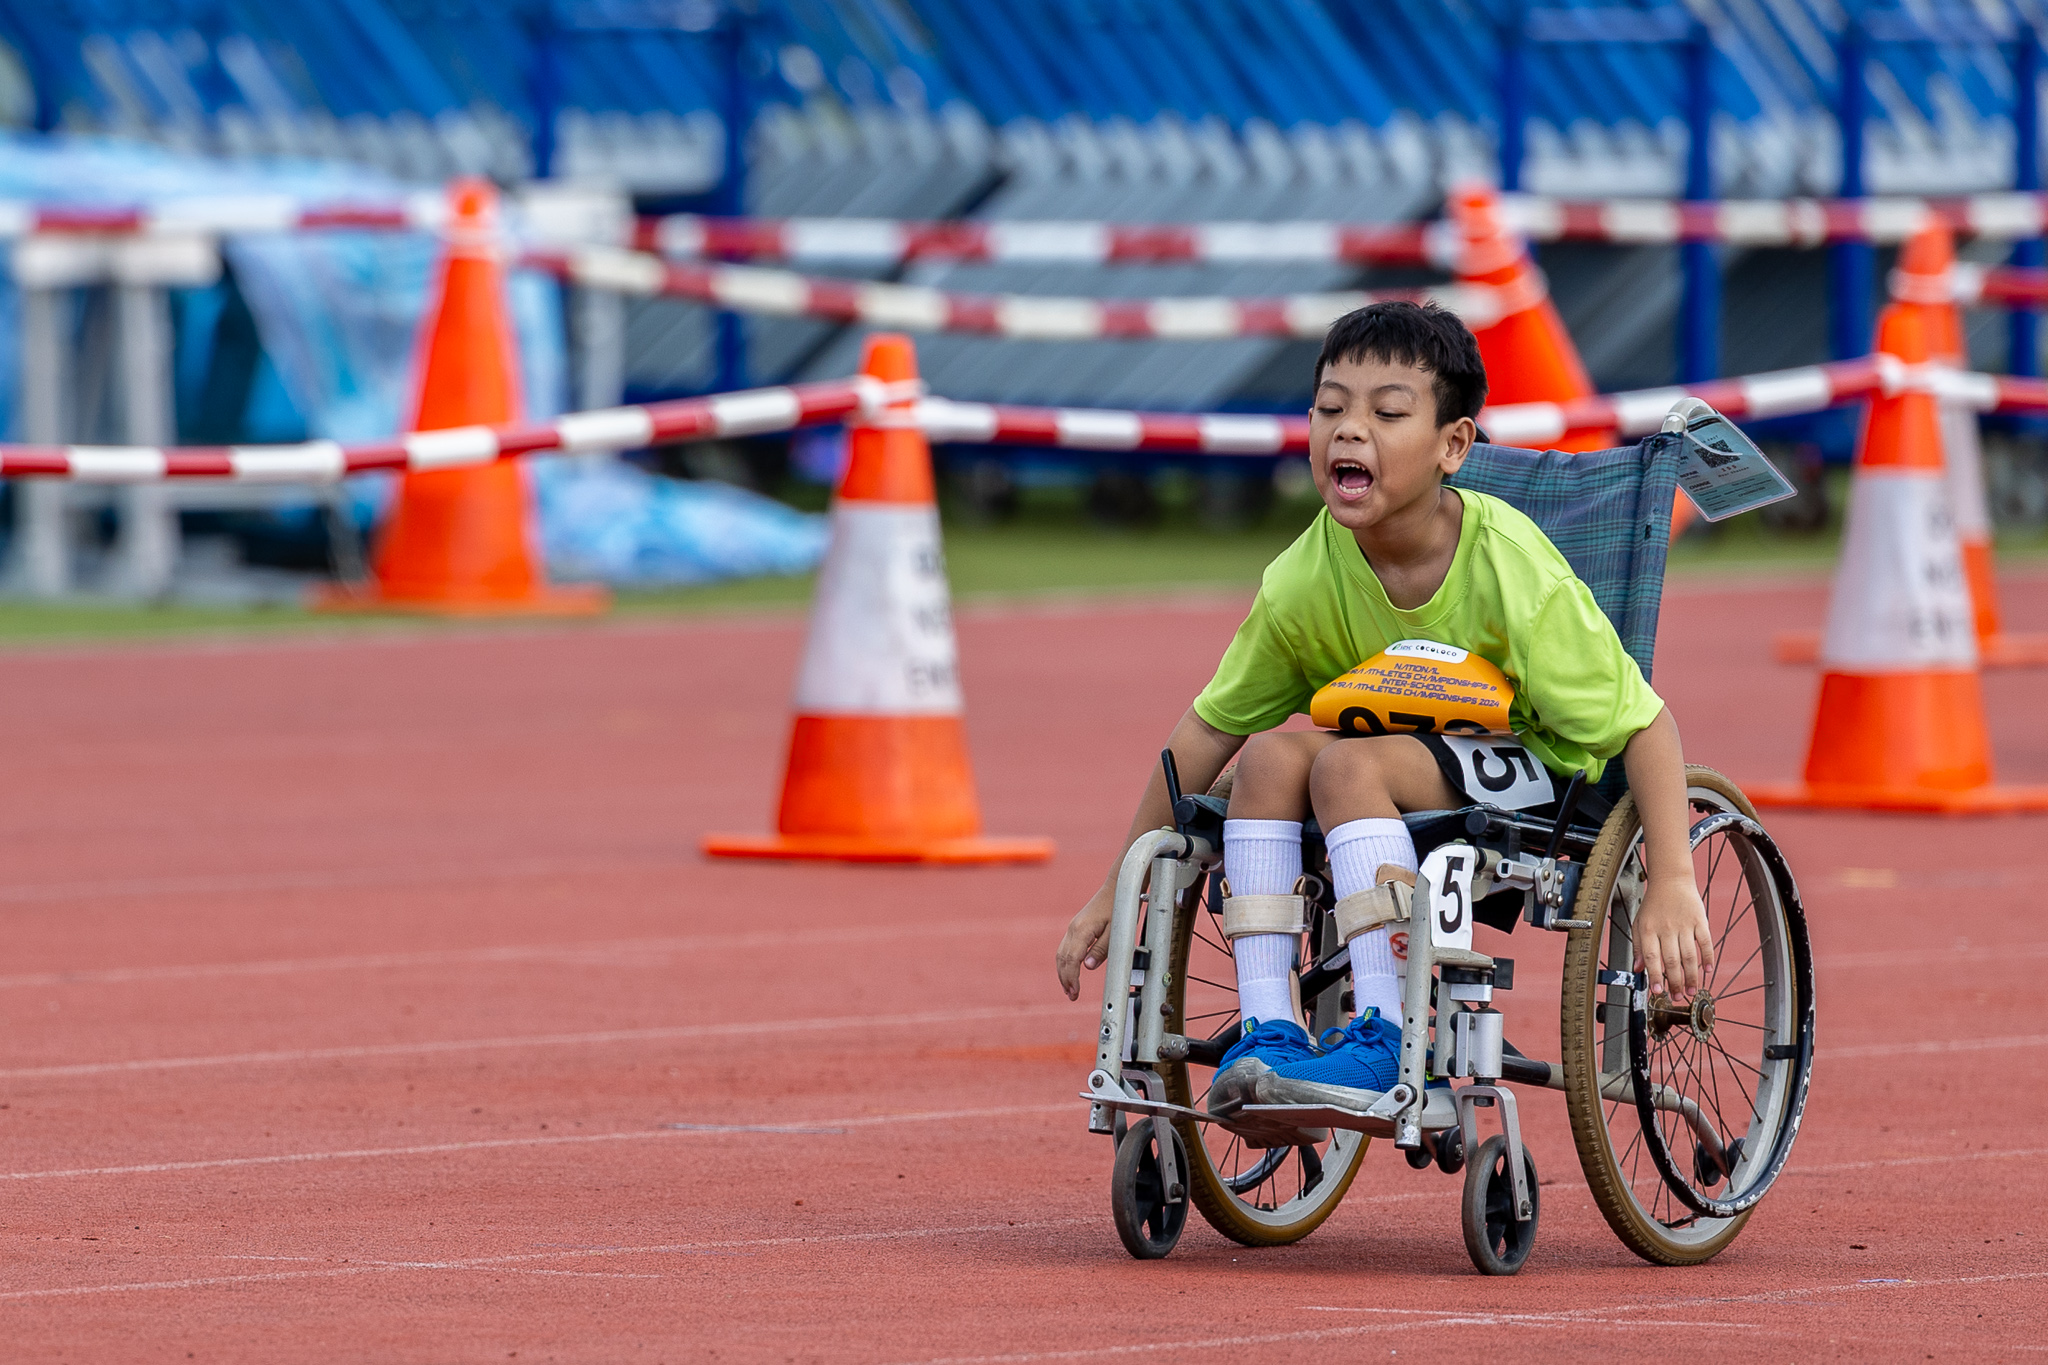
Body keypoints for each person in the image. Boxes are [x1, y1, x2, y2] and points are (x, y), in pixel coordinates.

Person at [1052, 300, 1712, 1113]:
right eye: (1330, 407)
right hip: (1385, 769)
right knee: (1264, 756)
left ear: (1453, 447)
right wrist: (1113, 886)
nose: (1348, 429)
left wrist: (1675, 879)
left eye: (1386, 412)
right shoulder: (1303, 578)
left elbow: (1646, 724)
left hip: (1543, 774)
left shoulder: (1513, 572)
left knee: (1343, 761)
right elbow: (1206, 731)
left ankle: (1386, 1030)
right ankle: (1270, 1034)